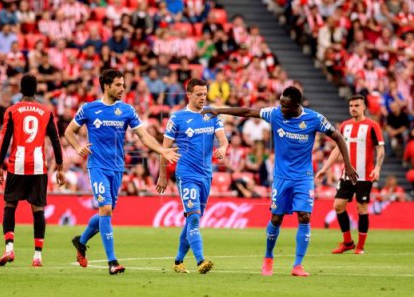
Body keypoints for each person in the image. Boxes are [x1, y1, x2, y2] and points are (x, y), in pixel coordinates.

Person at [202, 86, 358, 277]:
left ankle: (298, 265)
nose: (281, 108)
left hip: (303, 178)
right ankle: (268, 258)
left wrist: (348, 165)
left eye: (285, 106)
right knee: (277, 218)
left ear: (296, 105)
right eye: (280, 104)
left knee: (305, 217)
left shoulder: (314, 119)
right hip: (281, 178)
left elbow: (339, 137)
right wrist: (220, 110)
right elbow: (248, 111)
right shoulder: (275, 114)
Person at [65, 69, 180, 274]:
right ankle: (112, 262)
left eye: (123, 85)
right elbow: (68, 131)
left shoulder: (127, 110)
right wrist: (77, 147)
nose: (122, 88)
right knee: (106, 210)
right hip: (97, 166)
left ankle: (80, 242)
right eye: (118, 85)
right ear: (106, 86)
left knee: (105, 212)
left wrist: (162, 149)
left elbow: (144, 136)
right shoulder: (89, 109)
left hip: (117, 168)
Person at [156, 78, 229, 274]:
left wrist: (222, 148)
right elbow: (164, 149)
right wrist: (162, 176)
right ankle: (200, 261)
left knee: (192, 220)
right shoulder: (177, 118)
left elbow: (223, 140)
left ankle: (178, 261)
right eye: (199, 95)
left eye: (205, 94)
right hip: (186, 174)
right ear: (189, 95)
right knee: (194, 218)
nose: (203, 98)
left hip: (206, 176)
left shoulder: (211, 114)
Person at [0, 74, 65, 267]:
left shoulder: (12, 110)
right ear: (36, 91)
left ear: (20, 90)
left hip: (17, 165)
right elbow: (56, 140)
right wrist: (60, 166)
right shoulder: (46, 112)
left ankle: (9, 248)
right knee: (38, 209)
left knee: (10, 205)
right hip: (38, 166)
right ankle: (37, 256)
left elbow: (5, 139)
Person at [316, 94, 384, 255]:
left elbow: (380, 149)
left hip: (365, 175)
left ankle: (360, 246)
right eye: (351, 106)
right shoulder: (345, 126)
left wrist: (378, 168)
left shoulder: (372, 126)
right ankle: (347, 242)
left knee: (362, 207)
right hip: (347, 175)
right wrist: (325, 168)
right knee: (338, 205)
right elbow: (337, 148)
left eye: (357, 106)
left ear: (364, 107)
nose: (353, 108)